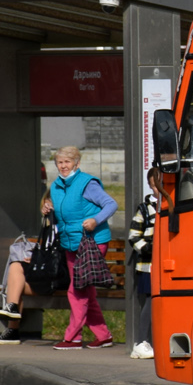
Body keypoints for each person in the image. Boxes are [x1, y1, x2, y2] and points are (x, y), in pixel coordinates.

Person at [39, 147, 117, 350]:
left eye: (67, 162)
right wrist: (47, 208)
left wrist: (95, 220)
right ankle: (103, 335)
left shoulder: (87, 183)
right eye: (60, 162)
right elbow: (63, 209)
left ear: (77, 163)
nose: (63, 166)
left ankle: (73, 337)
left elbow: (110, 204)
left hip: (92, 241)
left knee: (77, 290)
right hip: (70, 242)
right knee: (85, 291)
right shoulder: (56, 186)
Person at [127, 167, 161, 359]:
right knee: (150, 302)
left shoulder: (170, 205)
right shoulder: (145, 208)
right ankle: (141, 341)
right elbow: (133, 235)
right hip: (148, 265)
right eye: (152, 186)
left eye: (159, 185)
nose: (156, 190)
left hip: (165, 263)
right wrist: (146, 248)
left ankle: (153, 342)